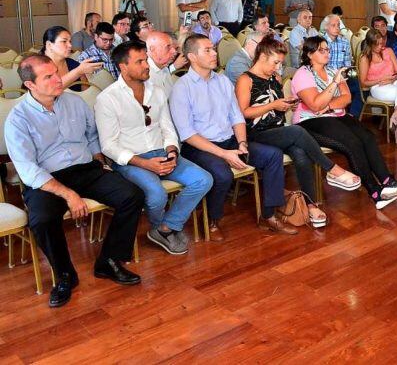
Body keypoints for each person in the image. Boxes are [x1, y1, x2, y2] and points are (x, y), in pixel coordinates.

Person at [5, 55, 145, 307]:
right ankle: (64, 274)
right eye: (48, 77)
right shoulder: (18, 119)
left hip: (85, 168)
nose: (58, 79)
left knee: (132, 195)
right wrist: (69, 195)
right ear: (30, 85)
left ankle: (110, 261)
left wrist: (100, 161)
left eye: (56, 73)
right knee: (43, 219)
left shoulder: (74, 102)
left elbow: (91, 136)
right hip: (47, 178)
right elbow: (28, 170)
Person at [95, 41, 213, 255]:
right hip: (133, 159)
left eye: (146, 60)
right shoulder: (107, 98)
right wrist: (145, 164)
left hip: (162, 153)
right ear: (123, 66)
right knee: (157, 195)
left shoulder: (156, 91)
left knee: (203, 179)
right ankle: (161, 229)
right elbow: (109, 146)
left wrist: (171, 152)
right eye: (139, 62)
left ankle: (165, 228)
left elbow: (167, 127)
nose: (146, 65)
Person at [170, 35, 288, 240]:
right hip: (200, 146)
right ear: (192, 57)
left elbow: (236, 116)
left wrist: (242, 143)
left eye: (213, 49)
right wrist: (224, 154)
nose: (215, 53)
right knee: (223, 174)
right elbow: (187, 134)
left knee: (273, 155)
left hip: (230, 140)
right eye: (207, 50)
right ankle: (212, 220)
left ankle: (269, 215)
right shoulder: (182, 87)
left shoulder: (222, 80)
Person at [235, 36, 361, 226]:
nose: (278, 67)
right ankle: (332, 169)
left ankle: (311, 205)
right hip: (256, 133)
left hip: (277, 129)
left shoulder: (274, 77)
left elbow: (278, 105)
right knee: (298, 132)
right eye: (276, 62)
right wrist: (273, 105)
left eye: (280, 63)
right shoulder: (245, 79)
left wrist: (287, 105)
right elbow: (243, 113)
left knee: (300, 153)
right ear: (262, 56)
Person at [291, 36, 397, 209]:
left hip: (333, 115)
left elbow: (347, 98)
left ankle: (388, 181)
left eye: (327, 49)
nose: (327, 53)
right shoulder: (302, 74)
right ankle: (375, 192)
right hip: (310, 121)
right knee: (353, 143)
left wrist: (327, 107)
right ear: (310, 54)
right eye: (322, 50)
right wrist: (333, 86)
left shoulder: (333, 70)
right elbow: (314, 105)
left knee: (368, 137)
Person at [359, 29, 397, 147]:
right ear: (370, 44)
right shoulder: (365, 57)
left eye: (382, 43)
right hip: (377, 86)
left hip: (393, 82)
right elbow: (363, 82)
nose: (380, 46)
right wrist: (381, 79)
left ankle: (396, 114)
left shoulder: (389, 51)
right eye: (377, 44)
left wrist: (391, 79)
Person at [146, 31, 188, 99]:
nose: (174, 51)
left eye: (175, 48)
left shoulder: (164, 67)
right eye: (168, 47)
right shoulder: (145, 75)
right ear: (152, 49)